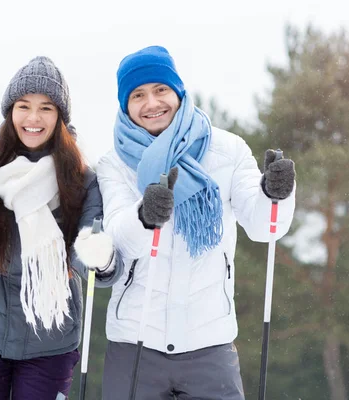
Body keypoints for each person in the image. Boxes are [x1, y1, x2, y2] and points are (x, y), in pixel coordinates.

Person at [96, 46, 296, 399]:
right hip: (135, 343)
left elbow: (266, 227)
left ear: (178, 92)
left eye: (161, 90)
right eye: (138, 95)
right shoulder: (114, 163)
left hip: (210, 342)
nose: (152, 103)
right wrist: (145, 217)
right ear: (125, 105)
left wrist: (275, 194)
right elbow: (116, 241)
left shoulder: (228, 151)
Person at [0, 56, 122, 400]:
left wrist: (99, 256)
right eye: (24, 106)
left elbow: (98, 270)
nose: (34, 118)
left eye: (46, 108)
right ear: (10, 113)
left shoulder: (81, 181)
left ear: (60, 117)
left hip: (51, 336)